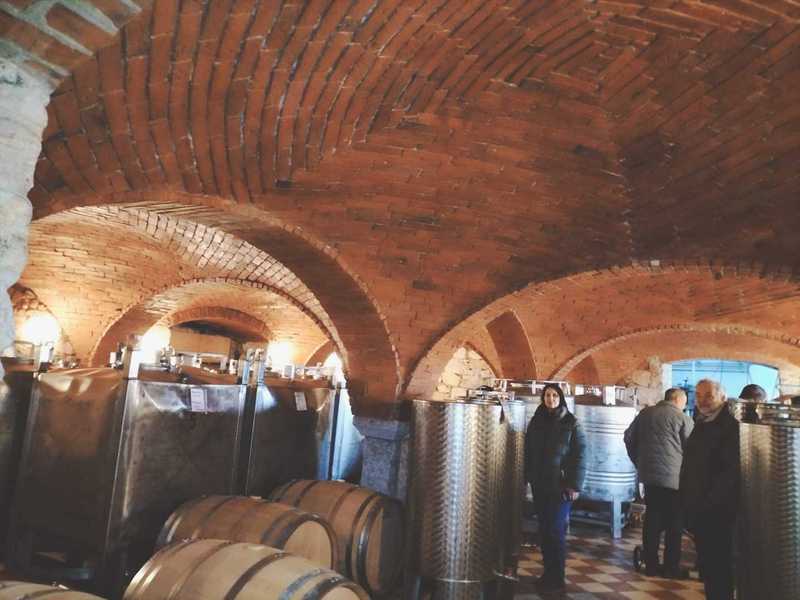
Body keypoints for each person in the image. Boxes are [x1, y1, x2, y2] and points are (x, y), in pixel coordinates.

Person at [680, 379, 740, 600]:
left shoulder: (729, 426)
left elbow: (730, 473)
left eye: (708, 396)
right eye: (698, 395)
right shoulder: (703, 421)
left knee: (719, 569)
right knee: (708, 567)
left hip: (716, 512)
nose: (702, 400)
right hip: (700, 508)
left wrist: (708, 505)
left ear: (722, 397)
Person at [524, 383, 587, 593]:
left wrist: (574, 485)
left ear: (560, 398)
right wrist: (526, 476)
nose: (550, 399)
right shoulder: (536, 421)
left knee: (555, 531)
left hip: (561, 487)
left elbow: (580, 456)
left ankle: (557, 578)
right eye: (547, 395)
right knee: (544, 530)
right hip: (540, 484)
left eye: (554, 395)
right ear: (543, 398)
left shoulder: (571, 423)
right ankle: (548, 574)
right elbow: (528, 451)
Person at [624, 388, 693, 578]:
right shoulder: (683, 419)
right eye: (684, 402)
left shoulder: (645, 414)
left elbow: (628, 437)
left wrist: (639, 461)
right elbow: (692, 448)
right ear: (678, 400)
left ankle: (651, 566)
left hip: (649, 477)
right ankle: (671, 568)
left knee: (652, 520)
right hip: (675, 480)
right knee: (674, 524)